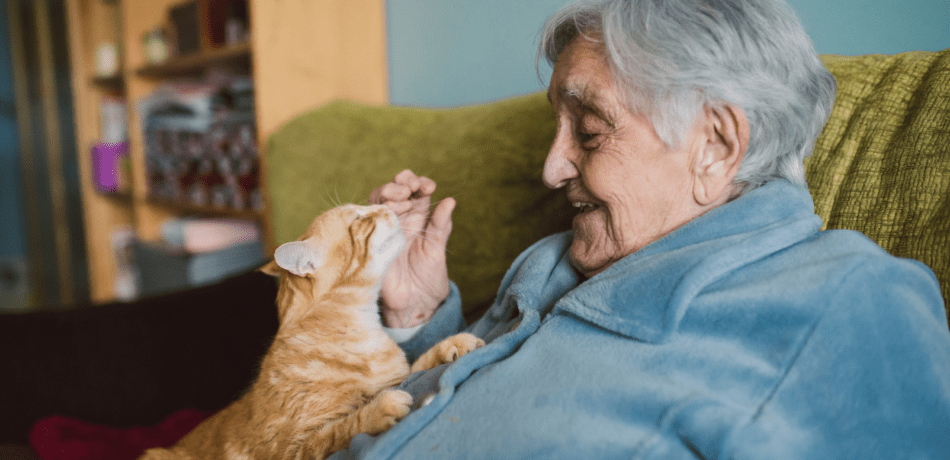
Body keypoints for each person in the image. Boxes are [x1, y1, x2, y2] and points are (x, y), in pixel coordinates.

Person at [333, 0, 950, 458]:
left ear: (714, 145)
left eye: (591, 130)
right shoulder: (556, 260)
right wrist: (419, 317)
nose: (551, 169)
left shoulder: (850, 301)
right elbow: (447, 408)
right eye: (557, 126)